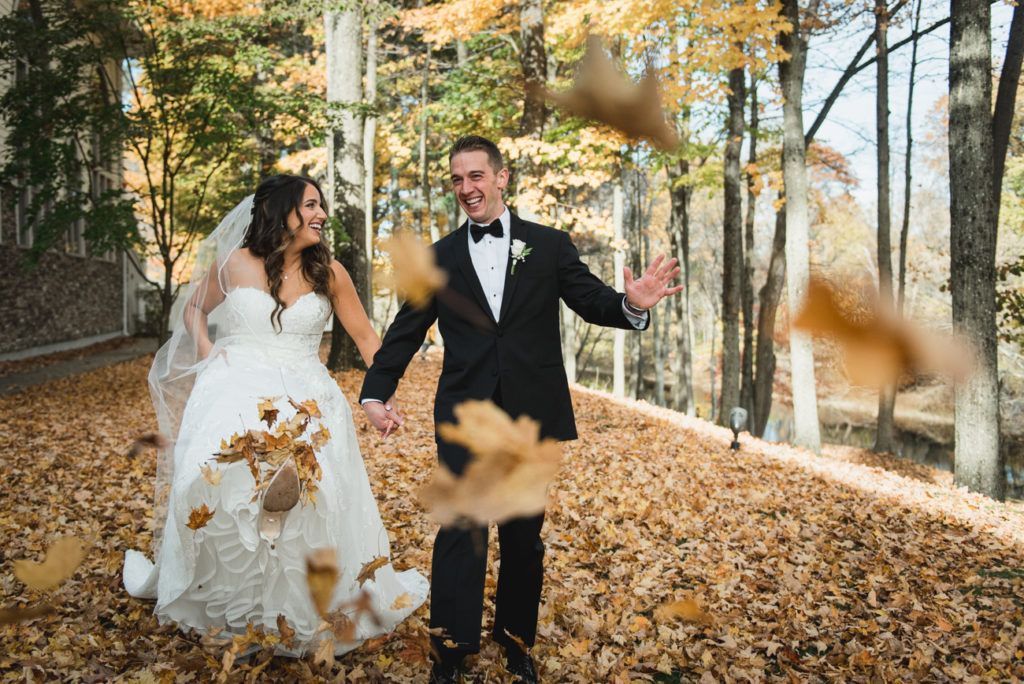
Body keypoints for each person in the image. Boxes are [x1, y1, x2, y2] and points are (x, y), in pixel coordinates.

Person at [360, 136, 683, 683]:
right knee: (462, 528)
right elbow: (406, 331)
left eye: (477, 176)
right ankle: (452, 649)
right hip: (464, 412)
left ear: (502, 177)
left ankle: (514, 640)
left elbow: (592, 300)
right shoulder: (439, 257)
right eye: (458, 180)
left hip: (531, 412)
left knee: (522, 535)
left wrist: (632, 303)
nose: (467, 189)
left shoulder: (549, 245)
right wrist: (375, 391)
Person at [123, 175, 427, 656]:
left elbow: (369, 341)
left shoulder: (331, 272)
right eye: (310, 205)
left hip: (306, 392)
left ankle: (294, 608)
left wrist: (379, 399)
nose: (321, 214)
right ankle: (229, 600)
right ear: (280, 211)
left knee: (314, 497)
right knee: (211, 480)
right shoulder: (233, 264)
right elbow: (194, 312)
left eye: (321, 205)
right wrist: (207, 350)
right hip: (234, 386)